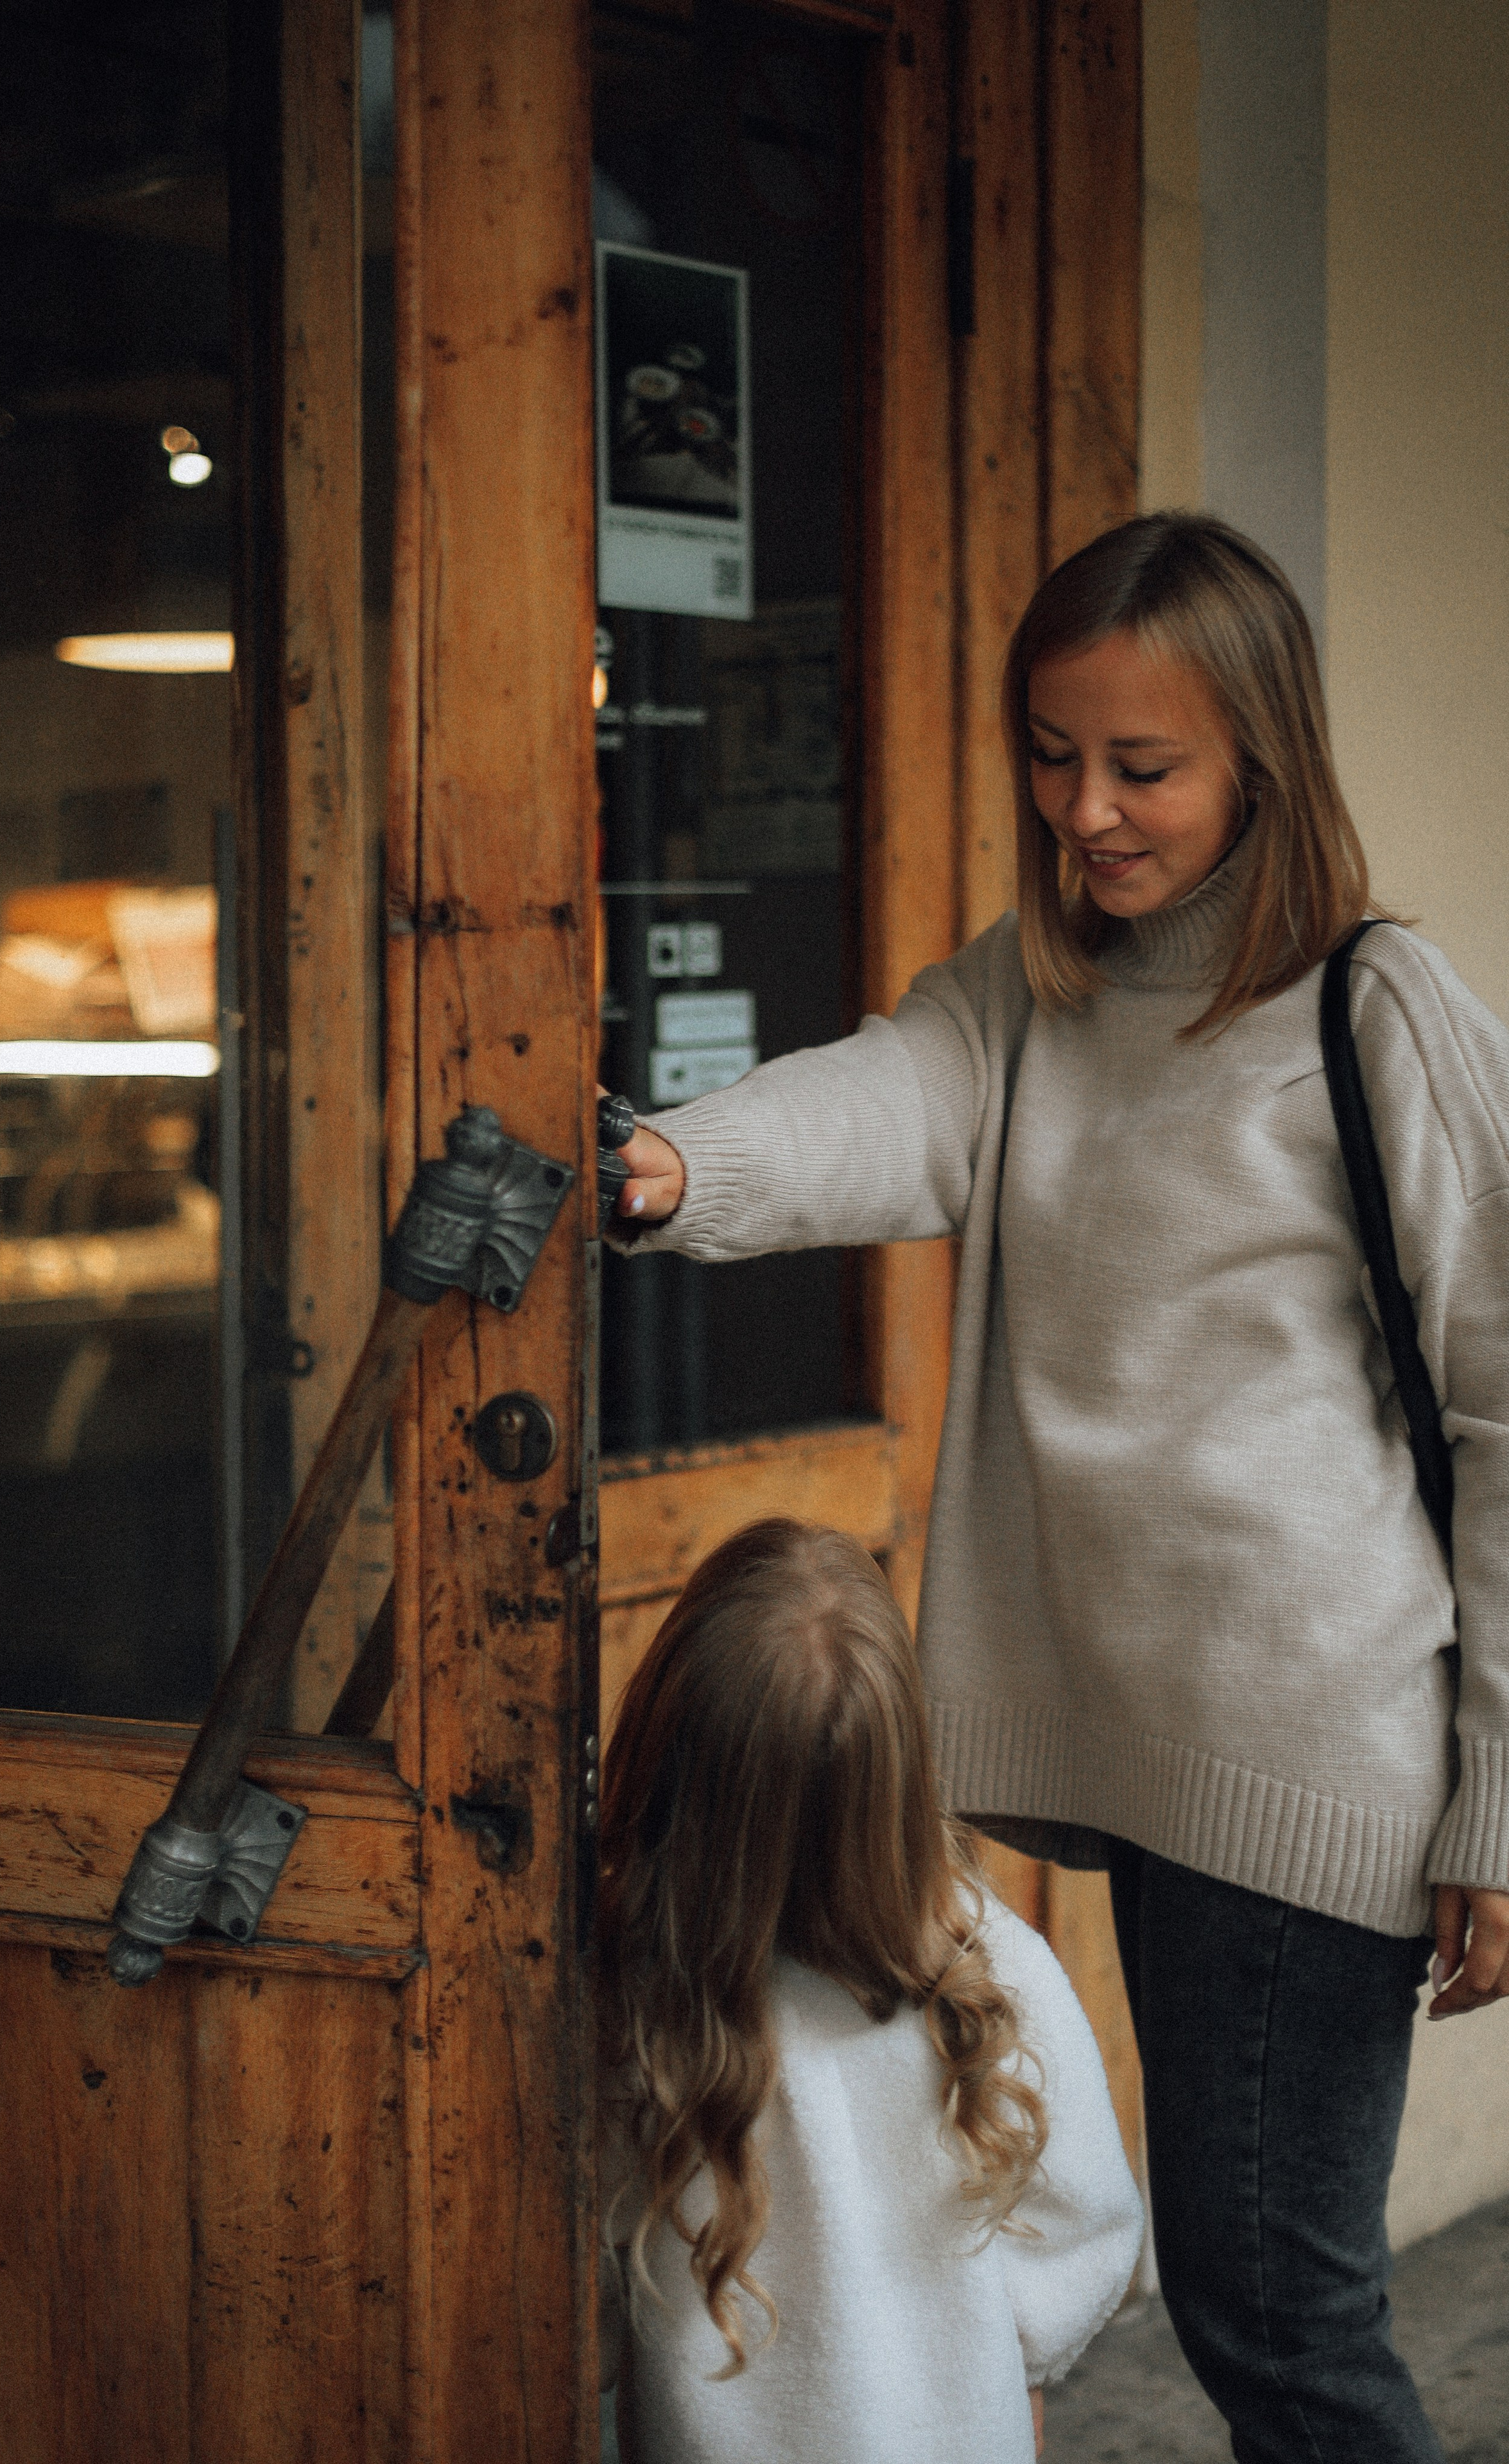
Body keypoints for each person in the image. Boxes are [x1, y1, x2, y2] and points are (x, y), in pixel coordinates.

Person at [608, 512, 1509, 2462]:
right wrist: (664, 1170)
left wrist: (1500, 1800)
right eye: (1050, 750)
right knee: (1262, 2297)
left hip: (1315, 1752)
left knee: (1278, 2315)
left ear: (1263, 759)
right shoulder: (1034, 996)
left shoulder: (1374, 1013)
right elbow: (887, 1099)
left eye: (1144, 766)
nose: (1085, 806)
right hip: (1161, 1746)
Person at [598, 1517, 1143, 2464]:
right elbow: (1081, 2230)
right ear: (900, 1767)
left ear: (663, 1739)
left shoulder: (627, 2001)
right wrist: (1022, 2368)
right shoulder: (991, 1968)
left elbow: (580, 2300)